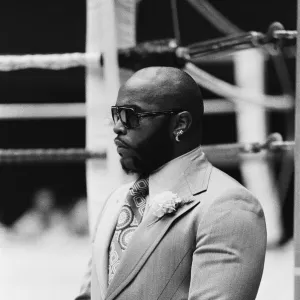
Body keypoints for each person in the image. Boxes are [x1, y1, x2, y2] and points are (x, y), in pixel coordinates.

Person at [75, 67, 267, 300]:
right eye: (117, 114)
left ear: (180, 124)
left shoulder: (229, 206)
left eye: (132, 116)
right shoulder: (117, 199)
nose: (118, 126)